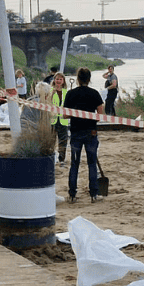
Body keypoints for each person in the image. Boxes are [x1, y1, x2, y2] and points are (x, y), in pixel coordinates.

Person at [62, 67, 103, 203]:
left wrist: (77, 114)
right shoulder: (95, 93)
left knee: (74, 164)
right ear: (89, 79)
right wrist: (90, 118)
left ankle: (72, 194)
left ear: (78, 79)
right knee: (92, 163)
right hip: (91, 131)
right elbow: (100, 115)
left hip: (75, 132)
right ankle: (94, 194)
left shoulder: (70, 94)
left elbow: (65, 114)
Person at [49, 71, 69, 165]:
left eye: (60, 79)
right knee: (51, 140)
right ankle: (50, 158)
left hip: (63, 120)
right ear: (54, 80)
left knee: (63, 140)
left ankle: (61, 159)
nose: (58, 81)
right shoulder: (50, 91)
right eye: (57, 79)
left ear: (63, 81)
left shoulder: (66, 92)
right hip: (52, 119)